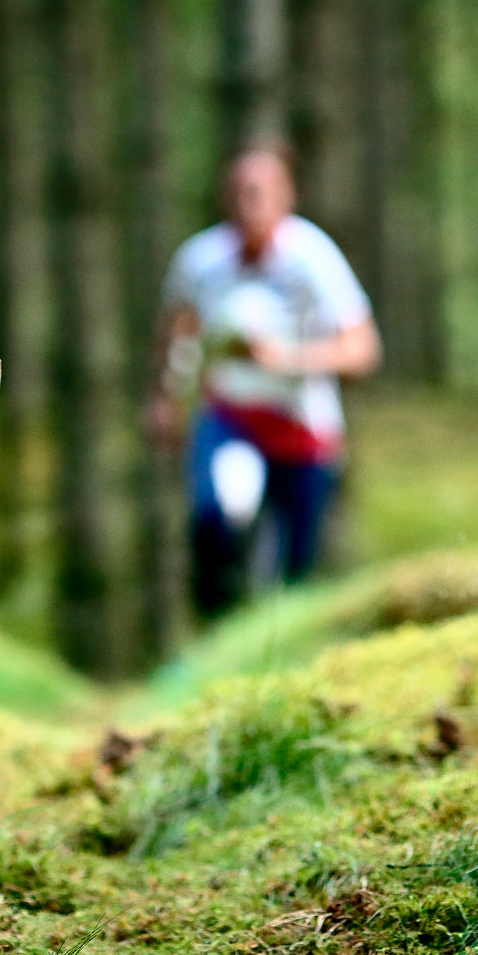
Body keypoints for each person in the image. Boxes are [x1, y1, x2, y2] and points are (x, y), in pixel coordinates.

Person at [148, 145, 382, 618]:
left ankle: (278, 659)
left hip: (303, 429)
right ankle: (210, 648)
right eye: (237, 192)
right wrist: (166, 400)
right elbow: (176, 330)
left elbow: (363, 350)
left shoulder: (314, 257)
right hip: (230, 417)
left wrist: (285, 359)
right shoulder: (199, 260)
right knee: (213, 526)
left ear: (286, 196)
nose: (246, 204)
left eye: (258, 192)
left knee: (296, 571)